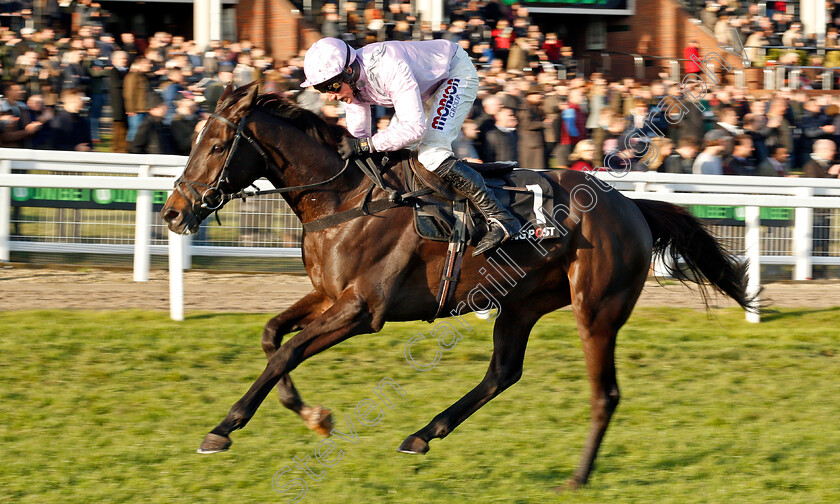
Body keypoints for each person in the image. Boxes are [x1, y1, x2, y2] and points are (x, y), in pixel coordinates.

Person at [300, 37, 519, 255]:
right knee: (391, 153)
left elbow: (413, 128)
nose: (330, 96)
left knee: (431, 153)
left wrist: (366, 144)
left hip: (453, 75)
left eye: (332, 86)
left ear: (349, 70)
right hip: (425, 87)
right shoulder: (352, 83)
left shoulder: (387, 66)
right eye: (322, 89)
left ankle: (500, 217)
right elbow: (360, 137)